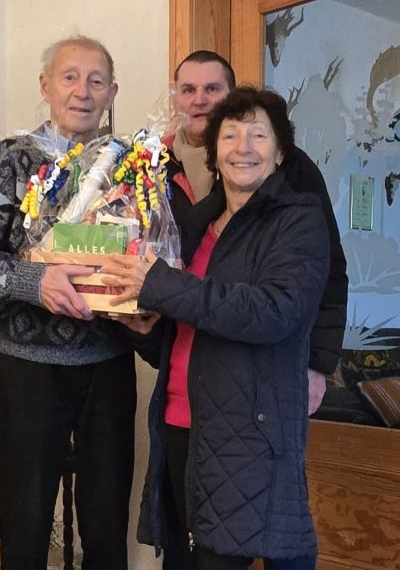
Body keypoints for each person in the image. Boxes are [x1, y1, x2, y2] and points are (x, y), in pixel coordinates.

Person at [129, 50, 347, 569]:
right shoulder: (196, 223)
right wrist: (141, 323)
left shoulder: (297, 218)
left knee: (230, 553)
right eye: (230, 136)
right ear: (214, 152)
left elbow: (275, 310)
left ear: (281, 153)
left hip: (246, 423)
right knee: (184, 556)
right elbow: (182, 320)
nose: (242, 147)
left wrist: (161, 286)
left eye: (258, 136)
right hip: (179, 414)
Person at [0, 36, 135, 570]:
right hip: (29, 369)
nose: (83, 91)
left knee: (107, 523)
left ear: (112, 92)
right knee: (26, 521)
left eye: (97, 80)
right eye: (70, 77)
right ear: (46, 85)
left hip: (110, 366)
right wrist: (36, 281)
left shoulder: (130, 164)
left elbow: (150, 252)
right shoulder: (11, 158)